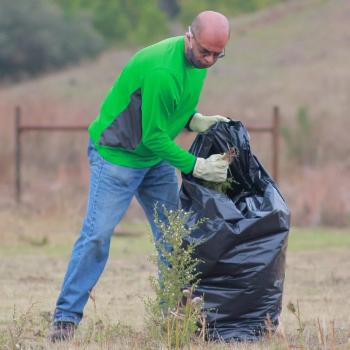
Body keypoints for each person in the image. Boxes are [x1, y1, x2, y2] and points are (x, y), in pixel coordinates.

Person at [49, 10, 231, 342]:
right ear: (189, 37)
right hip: (118, 155)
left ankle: (174, 321)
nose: (210, 60)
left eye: (218, 55)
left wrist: (194, 120)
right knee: (97, 236)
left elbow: (166, 113)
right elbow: (153, 135)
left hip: (153, 156)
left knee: (174, 238)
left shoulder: (196, 64)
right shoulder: (164, 69)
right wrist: (195, 165)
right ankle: (65, 319)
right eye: (205, 51)